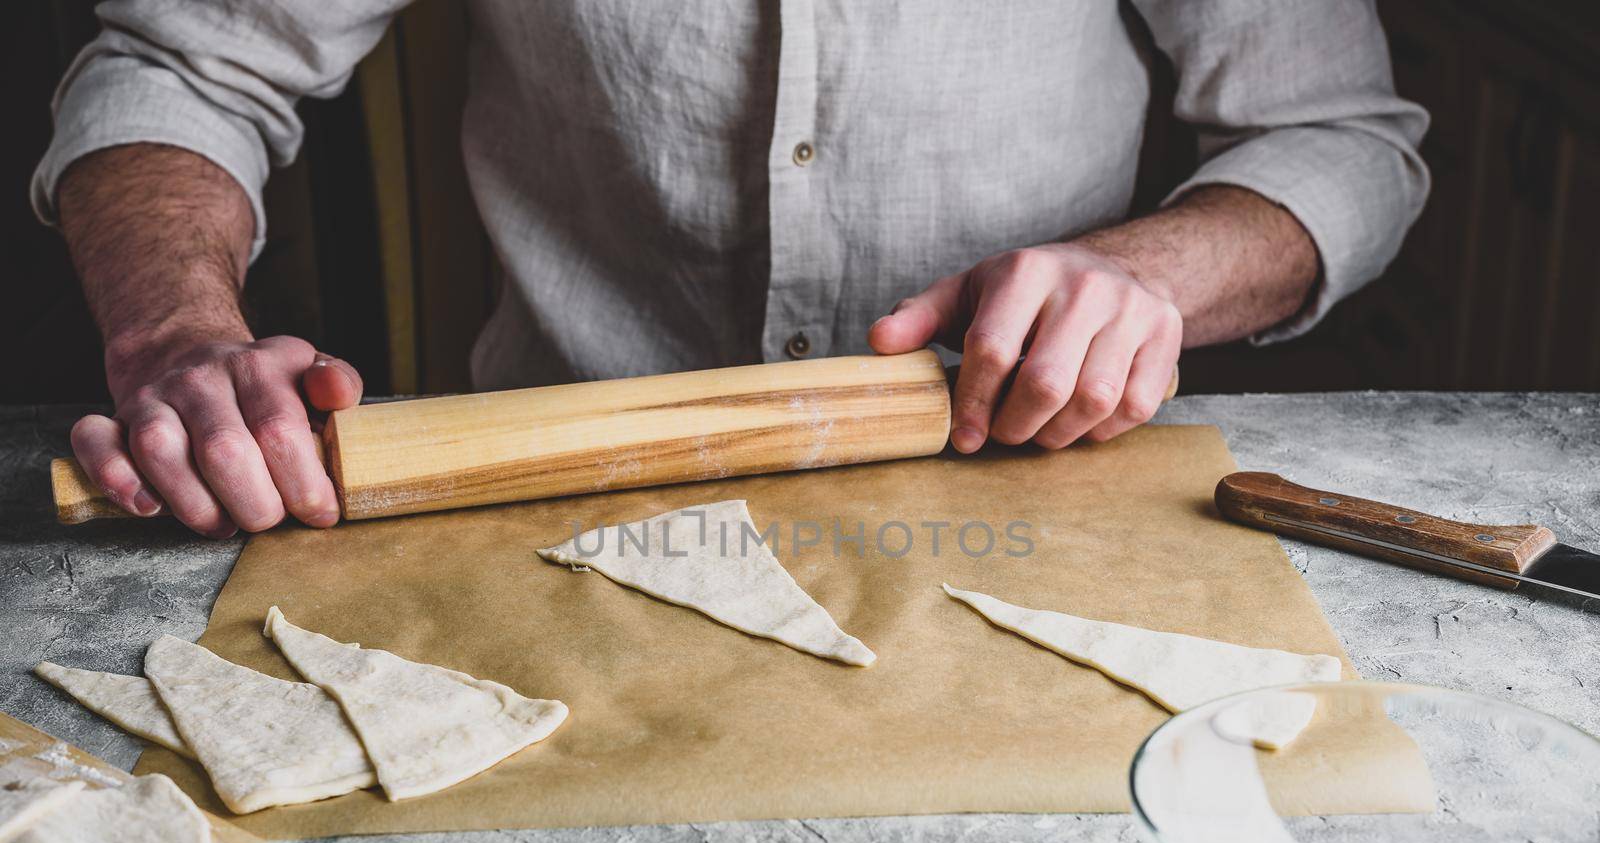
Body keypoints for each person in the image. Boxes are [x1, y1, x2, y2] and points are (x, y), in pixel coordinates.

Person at [34, 1, 1427, 538]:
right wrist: (175, 334)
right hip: (546, 518)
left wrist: (1153, 276)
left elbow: (1340, 139)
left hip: (1028, 494)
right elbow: (179, 64)